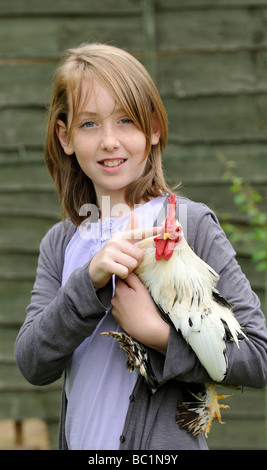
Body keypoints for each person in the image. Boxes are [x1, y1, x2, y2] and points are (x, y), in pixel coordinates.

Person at [15, 43, 267, 450]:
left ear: (152, 129)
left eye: (126, 121)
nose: (109, 141)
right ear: (65, 136)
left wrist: (159, 335)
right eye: (90, 124)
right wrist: (88, 282)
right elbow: (32, 363)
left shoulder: (189, 224)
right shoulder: (61, 243)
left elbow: (258, 357)